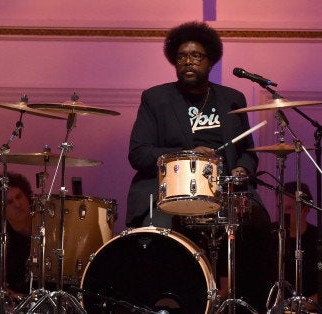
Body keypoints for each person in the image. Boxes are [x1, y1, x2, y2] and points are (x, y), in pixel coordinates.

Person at [126, 21, 275, 312]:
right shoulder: (156, 98)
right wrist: (187, 154)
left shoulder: (232, 99)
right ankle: (170, 302)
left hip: (225, 192)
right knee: (162, 235)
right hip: (171, 191)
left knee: (259, 226)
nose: (188, 61)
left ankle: (250, 303)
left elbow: (248, 152)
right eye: (182, 56)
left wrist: (243, 169)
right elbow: (138, 153)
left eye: (196, 56)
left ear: (210, 61)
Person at [281, 181, 322, 313]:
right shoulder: (269, 235)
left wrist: (303, 305)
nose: (282, 213)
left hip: (311, 305)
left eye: (289, 208)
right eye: (279, 207)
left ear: (306, 209)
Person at [0, 172, 34, 297]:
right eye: (9, 202)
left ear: (28, 197)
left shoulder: (50, 229)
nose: (18, 205)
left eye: (19, 197)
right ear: (0, 211)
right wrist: (19, 300)